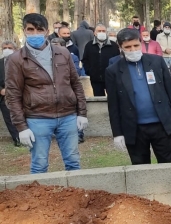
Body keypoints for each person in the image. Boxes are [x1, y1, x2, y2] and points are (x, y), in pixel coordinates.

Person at [5, 13, 88, 174]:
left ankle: (77, 197)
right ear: (24, 30)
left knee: (73, 162)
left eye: (39, 29)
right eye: (30, 29)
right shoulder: (16, 59)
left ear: (47, 30)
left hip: (67, 116)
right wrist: (21, 127)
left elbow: (75, 84)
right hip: (38, 118)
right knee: (39, 164)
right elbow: (13, 96)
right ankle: (39, 199)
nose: (35, 33)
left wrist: (82, 113)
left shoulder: (62, 53)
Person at [105, 28, 171, 165]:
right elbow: (113, 105)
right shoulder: (113, 71)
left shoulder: (157, 62)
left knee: (169, 164)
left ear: (140, 43)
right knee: (140, 168)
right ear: (120, 47)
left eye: (135, 45)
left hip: (161, 125)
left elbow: (170, 92)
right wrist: (117, 133)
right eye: (127, 47)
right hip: (134, 129)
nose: (132, 49)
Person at [82, 23, 120, 97]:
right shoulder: (89, 45)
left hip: (110, 78)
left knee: (113, 97)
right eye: (99, 31)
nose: (101, 32)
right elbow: (85, 59)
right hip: (95, 78)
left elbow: (117, 59)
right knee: (98, 98)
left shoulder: (114, 46)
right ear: (94, 33)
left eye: (103, 31)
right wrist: (89, 71)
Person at [1, 41, 20, 147]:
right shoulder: (0, 63)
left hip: (19, 94)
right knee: (8, 118)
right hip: (4, 96)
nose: (6, 49)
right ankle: (17, 139)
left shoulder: (21, 61)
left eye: (9, 47)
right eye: (4, 48)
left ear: (15, 49)